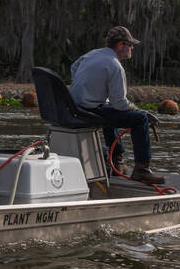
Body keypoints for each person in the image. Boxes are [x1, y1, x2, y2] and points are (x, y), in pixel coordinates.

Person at [69, 25, 165, 184]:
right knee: (140, 119)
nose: (132, 48)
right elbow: (120, 103)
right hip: (89, 112)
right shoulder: (114, 65)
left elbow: (74, 68)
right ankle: (142, 169)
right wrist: (140, 110)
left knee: (108, 108)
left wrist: (90, 88)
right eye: (130, 44)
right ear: (121, 45)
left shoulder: (92, 54)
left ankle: (118, 161)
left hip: (74, 108)